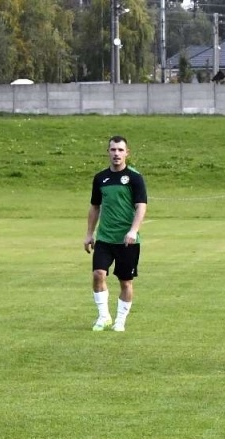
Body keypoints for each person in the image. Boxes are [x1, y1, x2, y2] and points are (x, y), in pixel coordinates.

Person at [84, 135, 146, 332]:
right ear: (108, 152)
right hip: (105, 238)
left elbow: (141, 207)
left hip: (127, 240)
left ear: (127, 152)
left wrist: (133, 231)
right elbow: (95, 207)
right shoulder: (100, 178)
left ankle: (120, 320)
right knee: (98, 274)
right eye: (113, 150)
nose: (116, 153)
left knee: (125, 282)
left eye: (120, 150)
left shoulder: (134, 178)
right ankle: (103, 317)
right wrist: (89, 234)